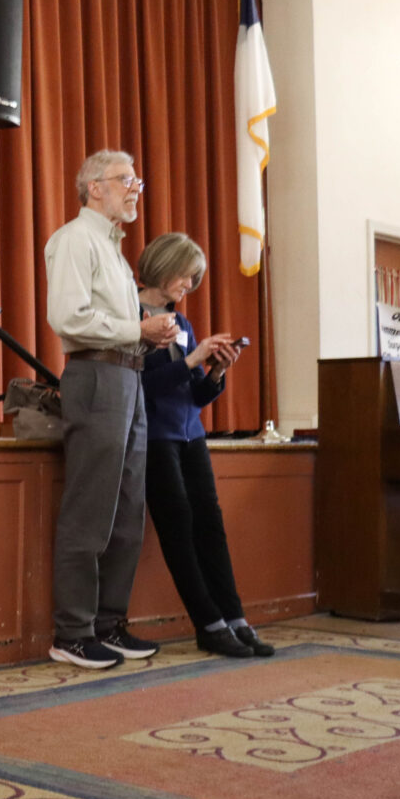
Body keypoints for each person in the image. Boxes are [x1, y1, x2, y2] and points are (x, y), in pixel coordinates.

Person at [44, 150, 180, 670]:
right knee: (91, 509)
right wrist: (136, 330)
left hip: (129, 375)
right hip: (97, 377)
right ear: (94, 187)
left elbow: (117, 324)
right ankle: (72, 632)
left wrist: (151, 333)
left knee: (126, 511)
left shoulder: (113, 250)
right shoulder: (75, 240)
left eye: (136, 180)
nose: (135, 189)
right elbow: (70, 318)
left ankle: (108, 623)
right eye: (126, 180)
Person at [136, 233, 275, 659]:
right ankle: (208, 624)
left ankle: (235, 618)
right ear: (163, 266)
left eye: (196, 278)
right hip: (156, 438)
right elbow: (140, 387)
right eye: (187, 274)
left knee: (211, 527)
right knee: (178, 527)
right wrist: (193, 361)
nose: (191, 284)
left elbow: (194, 394)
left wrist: (214, 372)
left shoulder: (183, 324)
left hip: (191, 435)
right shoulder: (131, 317)